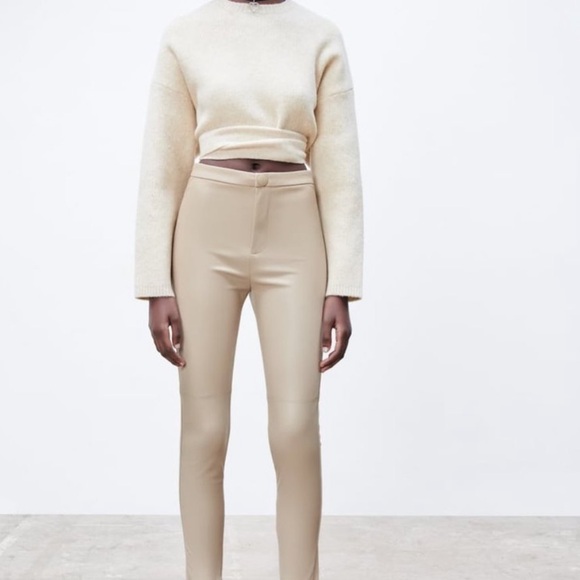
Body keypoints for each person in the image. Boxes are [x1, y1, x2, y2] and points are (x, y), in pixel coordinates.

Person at [133, 0, 364, 578]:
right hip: (205, 231)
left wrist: (342, 284)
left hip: (295, 231)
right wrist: (155, 282)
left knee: (295, 427)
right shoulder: (186, 34)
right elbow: (163, 165)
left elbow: (340, 170)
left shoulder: (319, 36)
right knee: (204, 429)